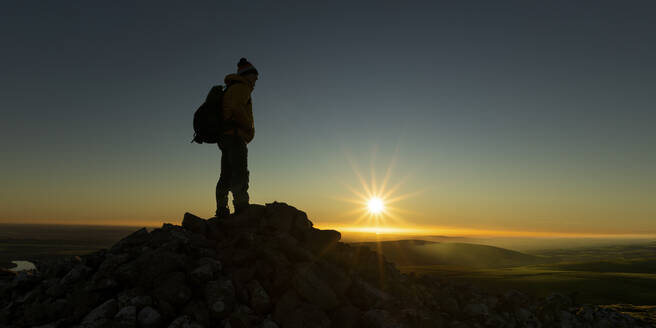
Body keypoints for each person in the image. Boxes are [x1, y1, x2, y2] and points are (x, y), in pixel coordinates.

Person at [215, 58, 258, 218]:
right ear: (248, 75)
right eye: (255, 76)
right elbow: (235, 107)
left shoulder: (232, 88)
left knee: (226, 174)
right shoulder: (242, 87)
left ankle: (221, 208)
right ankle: (241, 206)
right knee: (240, 172)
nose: (256, 80)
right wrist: (247, 126)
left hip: (225, 136)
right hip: (235, 135)